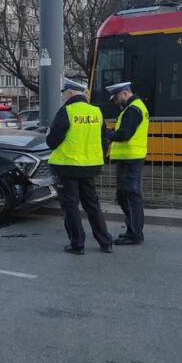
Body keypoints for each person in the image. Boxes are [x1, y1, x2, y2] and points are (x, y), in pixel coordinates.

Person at [46, 79, 114, 255]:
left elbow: (52, 141)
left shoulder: (67, 111)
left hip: (67, 166)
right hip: (90, 166)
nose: (63, 96)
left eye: (64, 93)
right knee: (92, 204)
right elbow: (103, 140)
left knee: (71, 206)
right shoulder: (96, 111)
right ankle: (105, 241)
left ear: (69, 93)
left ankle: (77, 244)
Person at [106, 81, 149, 246]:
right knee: (124, 196)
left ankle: (135, 234)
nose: (115, 101)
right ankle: (132, 230)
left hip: (130, 158)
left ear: (125, 93)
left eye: (116, 97)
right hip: (128, 158)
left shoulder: (133, 110)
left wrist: (108, 133)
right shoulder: (132, 108)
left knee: (131, 196)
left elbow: (125, 134)